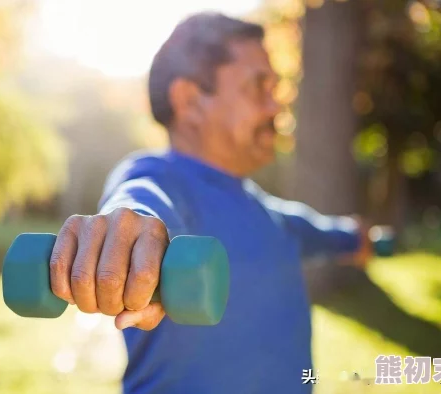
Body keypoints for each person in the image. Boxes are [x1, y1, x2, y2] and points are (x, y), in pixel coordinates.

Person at [49, 12, 372, 394]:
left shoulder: (270, 213)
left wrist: (356, 236)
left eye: (276, 90)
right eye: (258, 88)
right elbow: (141, 200)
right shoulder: (160, 176)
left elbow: (323, 231)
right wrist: (133, 229)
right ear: (190, 101)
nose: (276, 108)